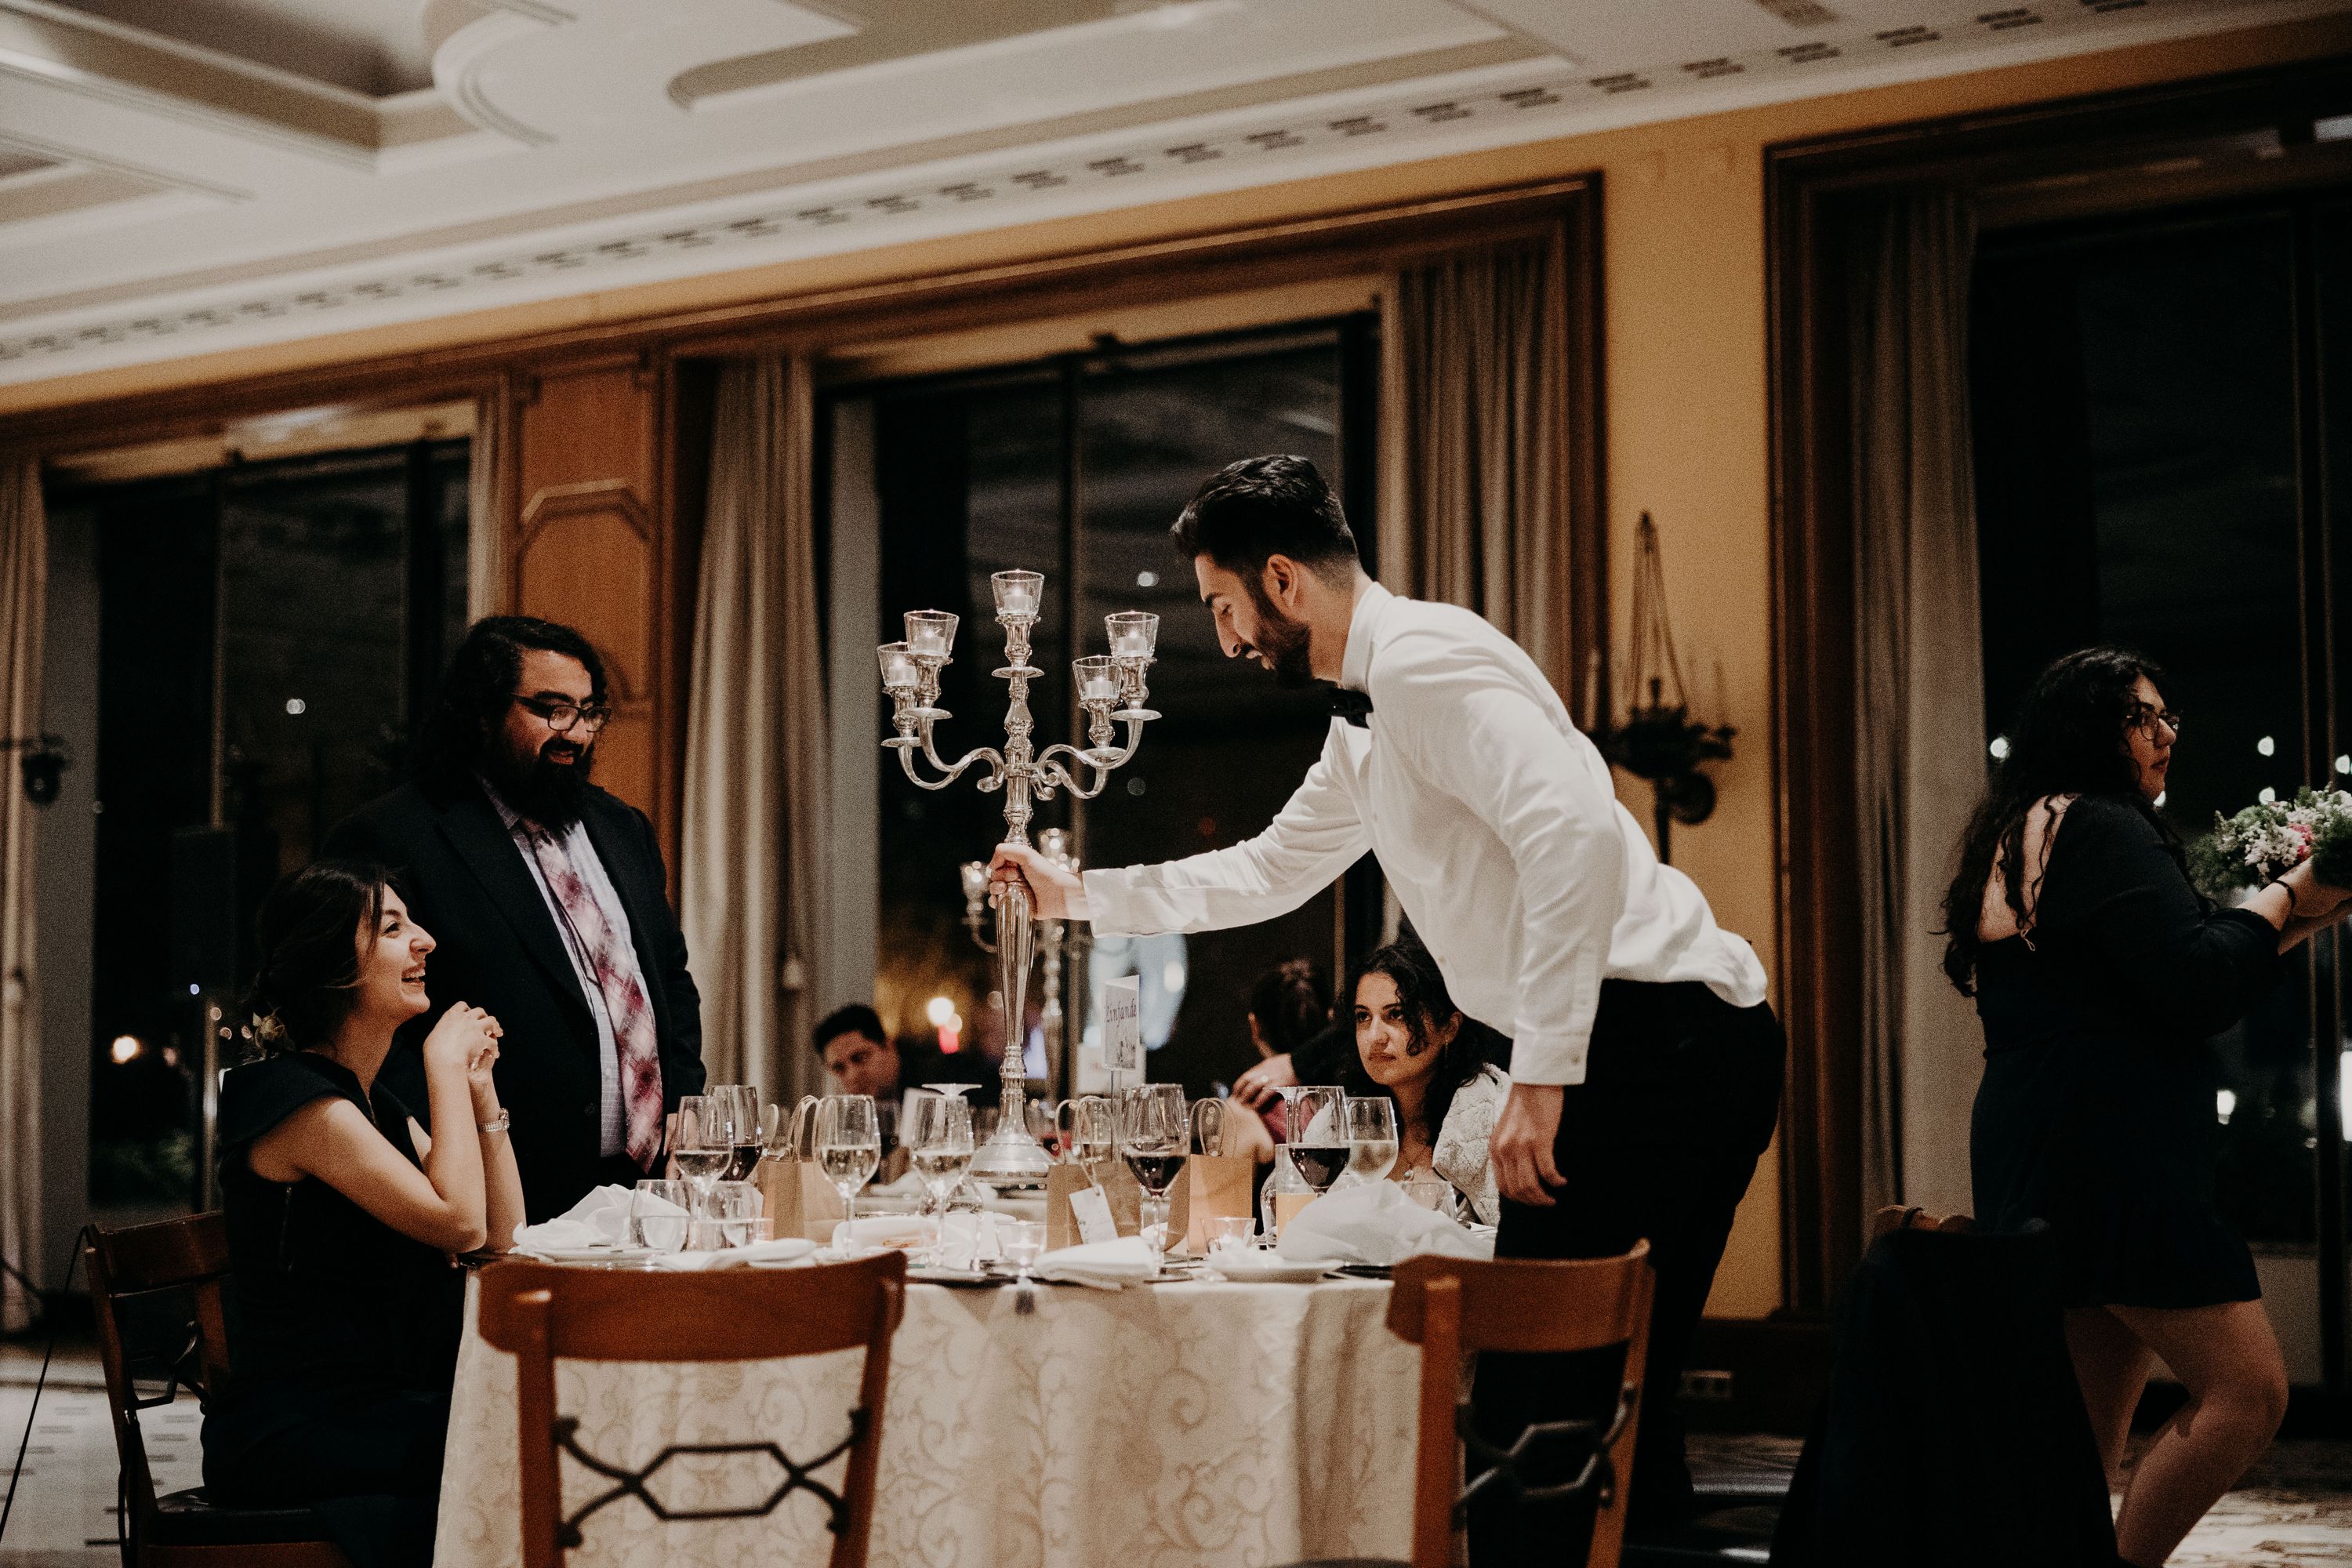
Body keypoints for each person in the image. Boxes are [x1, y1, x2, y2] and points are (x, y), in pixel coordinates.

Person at [989, 454, 1782, 1548]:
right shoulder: (1367, 719)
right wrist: (1075, 891)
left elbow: (1573, 840)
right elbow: (1265, 871)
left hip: (1660, 1038)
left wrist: (1544, 1073)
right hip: (1662, 1038)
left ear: (1281, 580)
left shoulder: (1422, 667)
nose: (1224, 639)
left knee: (1538, 1414)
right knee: (1600, 1415)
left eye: (1224, 606)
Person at [1944, 648, 2350, 1567]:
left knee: (2084, 1428)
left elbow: (2148, 975)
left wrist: (2301, 914)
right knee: (2248, 1393)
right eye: (2143, 716)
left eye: (2168, 716)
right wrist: (2291, 890)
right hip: (2113, 1151)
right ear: (2089, 727)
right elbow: (2197, 983)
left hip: (2044, 1138)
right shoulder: (2102, 823)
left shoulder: (2024, 826)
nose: (2166, 733)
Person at [325, 616, 705, 1221]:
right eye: (551, 710)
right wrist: (447, 1154)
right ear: (481, 712)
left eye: (587, 712)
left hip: (648, 1181)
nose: (574, 734)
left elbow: (671, 984)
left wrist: (687, 1108)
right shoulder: (394, 837)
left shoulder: (622, 827)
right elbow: (366, 1028)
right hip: (500, 1188)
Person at [202, 861, 525, 1568]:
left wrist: (480, 1094)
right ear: (332, 963)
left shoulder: (372, 1105)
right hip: (296, 1425)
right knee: (527, 1439)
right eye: (393, 926)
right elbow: (461, 1224)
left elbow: (499, 1239)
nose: (426, 940)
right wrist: (441, 1063)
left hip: (370, 1408)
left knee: (529, 1425)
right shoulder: (299, 1103)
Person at [1343, 938, 1508, 1222]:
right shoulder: (1339, 1124)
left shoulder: (1497, 1116)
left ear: (1449, 1027)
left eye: (1396, 1014)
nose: (1374, 1036)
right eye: (1362, 1017)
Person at [813, 1004, 996, 1107]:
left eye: (860, 1058)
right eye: (839, 1068)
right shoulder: (855, 1110)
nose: (852, 1075)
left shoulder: (944, 1077)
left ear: (888, 1045)